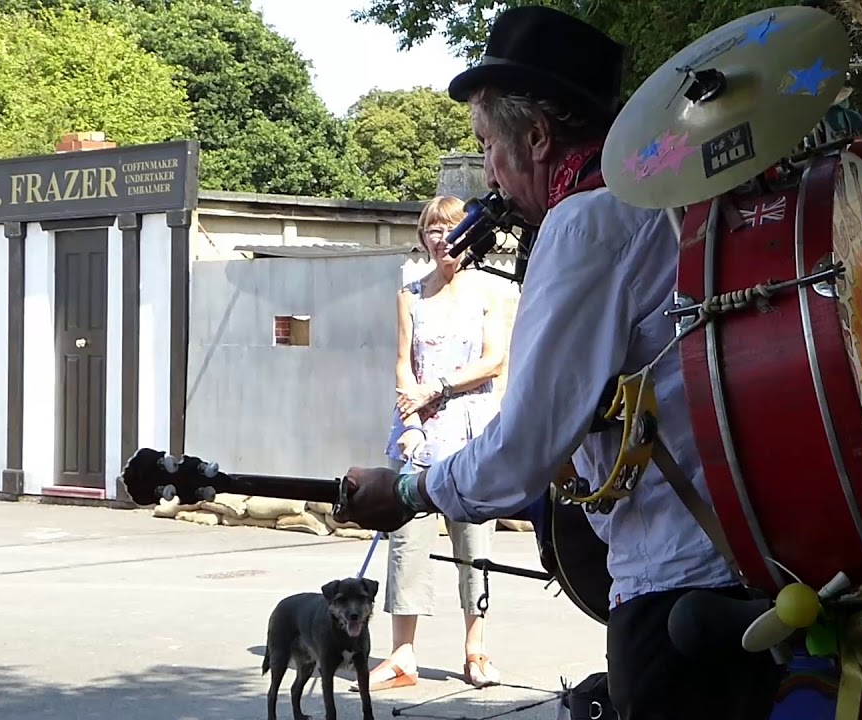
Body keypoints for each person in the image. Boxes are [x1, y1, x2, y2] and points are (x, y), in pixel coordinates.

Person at [334, 6, 781, 718]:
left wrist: (412, 491)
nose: (489, 170)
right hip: (773, 556)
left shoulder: (587, 222)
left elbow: (523, 448)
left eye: (488, 144)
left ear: (538, 137)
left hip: (675, 585)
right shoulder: (688, 199)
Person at [363, 196, 508, 692]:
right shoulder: (409, 295)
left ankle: (475, 649)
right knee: (407, 541)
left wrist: (438, 389)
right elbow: (403, 364)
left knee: (474, 543)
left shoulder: (488, 292)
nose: (442, 238)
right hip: (418, 435)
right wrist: (409, 421)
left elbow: (493, 361)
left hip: (471, 433)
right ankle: (402, 654)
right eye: (433, 230)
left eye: (451, 229)